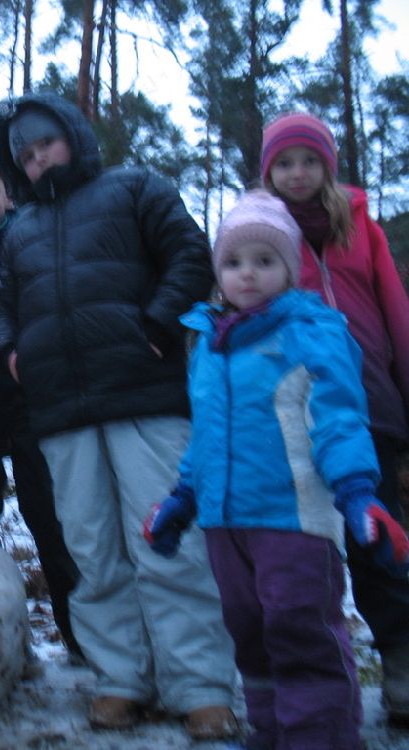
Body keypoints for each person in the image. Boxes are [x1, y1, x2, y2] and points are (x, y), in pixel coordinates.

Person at [0, 92, 238, 740]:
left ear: (72, 135)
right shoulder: (20, 229)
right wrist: (10, 350)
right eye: (24, 152)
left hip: (145, 397)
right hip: (63, 411)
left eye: (44, 142)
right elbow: (6, 306)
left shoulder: (135, 187)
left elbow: (191, 256)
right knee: (92, 552)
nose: (36, 156)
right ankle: (122, 679)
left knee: (167, 543)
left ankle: (200, 686)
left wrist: (156, 323)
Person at [144, 189, 409, 749]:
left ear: (290, 270)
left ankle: (321, 736)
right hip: (225, 523)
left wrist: (359, 493)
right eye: (234, 262)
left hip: (294, 519)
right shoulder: (211, 344)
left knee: (300, 630)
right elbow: (206, 434)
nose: (248, 274)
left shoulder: (312, 333)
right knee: (250, 633)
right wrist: (182, 497)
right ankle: (271, 732)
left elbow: (339, 422)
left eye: (265, 261)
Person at [260, 111, 409, 727]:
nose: (298, 174)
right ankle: (315, 682)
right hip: (293, 420)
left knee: (379, 541)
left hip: (370, 407)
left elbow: (394, 310)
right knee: (307, 558)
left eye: (309, 161)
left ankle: (401, 662)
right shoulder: (260, 231)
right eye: (285, 163)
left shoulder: (361, 231)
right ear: (269, 172)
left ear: (328, 167)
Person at [0, 153, 81, 659]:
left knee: (49, 517)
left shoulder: (28, 239)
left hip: (31, 394)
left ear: (8, 195)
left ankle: (81, 636)